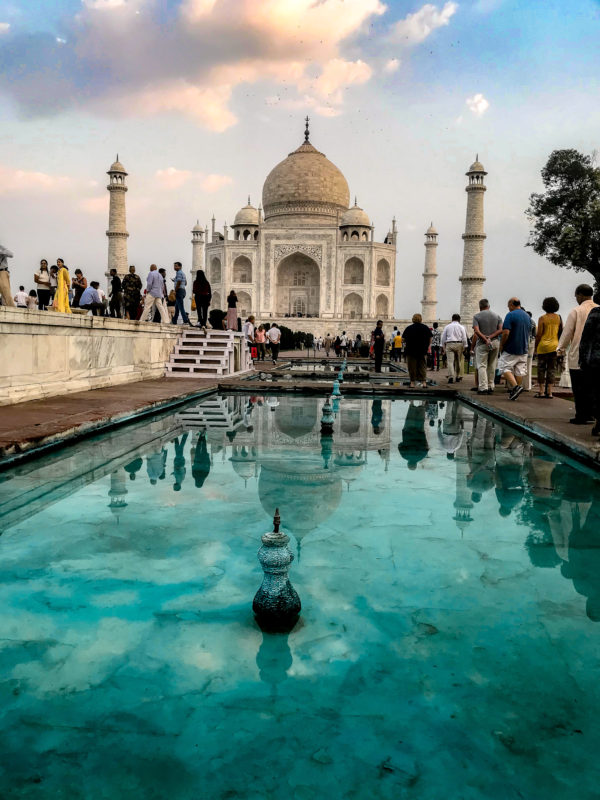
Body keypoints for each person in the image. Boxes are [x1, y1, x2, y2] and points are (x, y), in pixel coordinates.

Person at [557, 284, 598, 424]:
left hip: (578, 354)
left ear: (580, 295)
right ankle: (592, 414)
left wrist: (560, 349)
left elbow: (567, 332)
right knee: (592, 387)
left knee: (579, 387)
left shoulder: (576, 311)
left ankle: (581, 415)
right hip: (595, 356)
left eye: (576, 296)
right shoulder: (597, 309)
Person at [497, 297, 531, 401]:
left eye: (508, 306)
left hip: (511, 347)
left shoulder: (510, 315)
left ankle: (516, 387)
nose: (508, 308)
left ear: (512, 304)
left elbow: (506, 332)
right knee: (519, 370)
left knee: (503, 367)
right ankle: (515, 391)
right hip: (523, 347)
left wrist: (502, 345)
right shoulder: (527, 316)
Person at [472, 299, 503, 394]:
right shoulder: (497, 316)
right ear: (488, 306)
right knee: (492, 365)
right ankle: (491, 386)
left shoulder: (477, 316)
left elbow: (476, 331)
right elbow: (500, 330)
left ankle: (483, 387)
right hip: (494, 342)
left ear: (480, 307)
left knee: (482, 365)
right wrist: (491, 337)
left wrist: (485, 339)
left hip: (482, 343)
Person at [534, 297, 562, 399]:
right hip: (554, 346)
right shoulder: (559, 318)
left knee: (541, 369)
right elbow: (560, 333)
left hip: (543, 347)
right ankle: (550, 392)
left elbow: (539, 334)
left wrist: (536, 348)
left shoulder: (542, 318)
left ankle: (541, 391)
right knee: (551, 369)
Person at [579, 302, 600, 436]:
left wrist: (582, 359)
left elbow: (585, 337)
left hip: (595, 360)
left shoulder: (596, 313)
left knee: (596, 392)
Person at [402, 313, 432, 388]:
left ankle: (412, 383)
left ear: (413, 319)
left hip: (411, 350)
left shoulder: (409, 328)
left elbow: (403, 339)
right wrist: (427, 346)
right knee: (422, 366)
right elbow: (430, 338)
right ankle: (424, 383)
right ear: (421, 319)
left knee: (412, 367)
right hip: (422, 350)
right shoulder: (425, 328)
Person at [441, 314, 468, 383]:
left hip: (449, 344)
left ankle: (450, 377)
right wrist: (465, 346)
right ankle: (457, 376)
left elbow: (443, 337)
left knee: (450, 362)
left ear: (452, 319)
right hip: (459, 344)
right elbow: (464, 338)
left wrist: (443, 346)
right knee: (458, 361)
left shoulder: (447, 326)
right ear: (459, 319)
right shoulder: (461, 327)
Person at [171, 261, 191, 325]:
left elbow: (179, 282)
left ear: (180, 267)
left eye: (176, 266)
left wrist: (175, 290)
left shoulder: (179, 273)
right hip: (183, 290)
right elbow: (185, 283)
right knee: (177, 307)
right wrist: (175, 280)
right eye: (174, 266)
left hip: (179, 291)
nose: (175, 267)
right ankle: (174, 320)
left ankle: (185, 320)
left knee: (181, 307)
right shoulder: (183, 273)